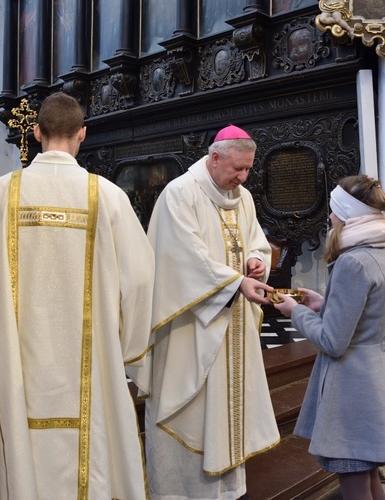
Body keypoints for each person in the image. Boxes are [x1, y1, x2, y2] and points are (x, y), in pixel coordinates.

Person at [0, 92, 155, 500]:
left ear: (37, 132)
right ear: (83, 134)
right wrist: (126, 350)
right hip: (94, 360)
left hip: (18, 359)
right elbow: (141, 279)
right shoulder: (108, 197)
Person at [137, 124, 279, 499]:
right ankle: (181, 491)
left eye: (248, 169)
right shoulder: (180, 195)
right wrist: (235, 284)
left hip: (232, 326)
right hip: (191, 329)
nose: (243, 177)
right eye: (237, 169)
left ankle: (228, 490)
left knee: (226, 412)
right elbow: (183, 259)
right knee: (194, 411)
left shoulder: (243, 197)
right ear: (214, 158)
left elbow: (255, 241)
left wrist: (254, 261)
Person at [273, 175, 385, 500]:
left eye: (333, 211)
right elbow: (368, 316)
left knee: (354, 483)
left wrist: (295, 311)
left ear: (348, 215)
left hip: (353, 389)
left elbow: (333, 342)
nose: (330, 218)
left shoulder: (353, 262)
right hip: (377, 377)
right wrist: (323, 305)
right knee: (369, 478)